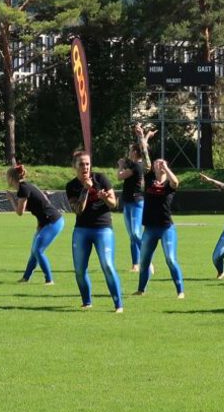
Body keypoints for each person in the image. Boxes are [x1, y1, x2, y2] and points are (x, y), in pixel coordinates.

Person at [65, 151, 123, 312]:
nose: (85, 167)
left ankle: (118, 305)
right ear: (74, 166)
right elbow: (78, 210)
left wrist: (104, 197)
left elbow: (114, 204)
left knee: (108, 265)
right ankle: (87, 302)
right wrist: (85, 190)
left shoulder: (101, 178)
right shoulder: (71, 186)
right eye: (81, 164)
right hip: (82, 230)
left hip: (103, 228)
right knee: (79, 269)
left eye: (87, 164)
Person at [132, 124, 184, 298]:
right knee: (144, 261)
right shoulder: (148, 179)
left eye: (160, 164)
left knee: (170, 259)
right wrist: (141, 137)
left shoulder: (169, 185)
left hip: (166, 227)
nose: (157, 165)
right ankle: (141, 290)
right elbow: (146, 155)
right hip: (150, 228)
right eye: (156, 164)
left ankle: (180, 291)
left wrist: (166, 169)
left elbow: (176, 182)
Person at [7, 163, 64, 285]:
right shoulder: (26, 186)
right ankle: (25, 278)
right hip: (47, 222)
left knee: (38, 250)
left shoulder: (23, 189)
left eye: (7, 177)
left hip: (53, 221)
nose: (7, 180)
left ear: (12, 178)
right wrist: (40, 224)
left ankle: (49, 280)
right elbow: (41, 205)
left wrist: (11, 199)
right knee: (35, 250)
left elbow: (19, 212)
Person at [116, 130, 150, 272]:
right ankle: (135, 264)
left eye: (131, 151)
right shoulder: (137, 164)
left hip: (136, 202)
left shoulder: (136, 166)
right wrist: (146, 136)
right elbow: (143, 147)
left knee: (136, 233)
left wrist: (121, 165)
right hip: (128, 202)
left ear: (135, 153)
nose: (129, 153)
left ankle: (147, 260)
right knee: (132, 235)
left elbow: (119, 176)